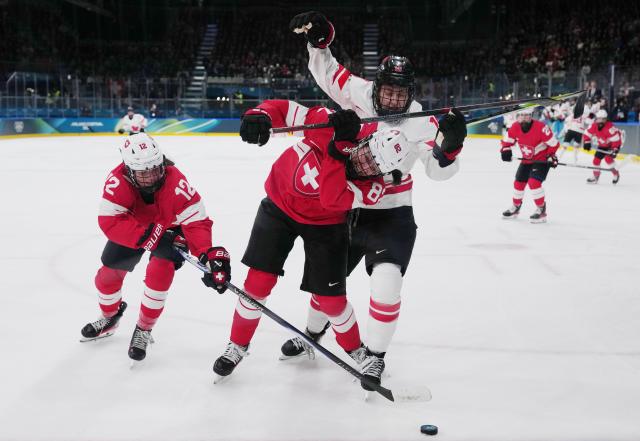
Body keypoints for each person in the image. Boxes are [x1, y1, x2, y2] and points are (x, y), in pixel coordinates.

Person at [278, 11, 466, 390]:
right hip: (347, 208)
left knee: (386, 283)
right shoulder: (359, 91)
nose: (392, 100)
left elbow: (438, 171)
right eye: (387, 91)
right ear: (377, 86)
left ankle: (375, 357)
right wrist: (320, 41)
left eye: (401, 94)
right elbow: (327, 71)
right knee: (325, 285)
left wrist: (451, 147)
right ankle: (314, 335)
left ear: (410, 94)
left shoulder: (423, 121)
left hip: (392, 215)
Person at [213, 99, 403, 386]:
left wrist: (339, 150)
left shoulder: (373, 187)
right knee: (257, 283)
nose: (363, 164)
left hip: (325, 224)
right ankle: (237, 345)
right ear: (366, 141)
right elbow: (285, 110)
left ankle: (356, 350)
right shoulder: (328, 122)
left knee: (330, 300)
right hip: (278, 207)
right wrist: (259, 115)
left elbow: (331, 198)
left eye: (371, 166)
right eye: (365, 155)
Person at [80, 133, 231, 362]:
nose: (151, 176)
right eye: (143, 173)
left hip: (172, 230)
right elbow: (109, 220)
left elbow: (195, 219)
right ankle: (109, 316)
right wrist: (144, 236)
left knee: (159, 274)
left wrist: (206, 253)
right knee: (107, 275)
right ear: (129, 170)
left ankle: (144, 328)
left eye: (155, 169)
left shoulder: (175, 180)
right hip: (135, 229)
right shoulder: (117, 181)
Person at [500, 109, 559, 223]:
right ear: (518, 116)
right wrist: (505, 150)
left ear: (531, 116)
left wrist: (552, 156)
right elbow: (507, 141)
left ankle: (541, 210)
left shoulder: (541, 128)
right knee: (518, 183)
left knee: (534, 183)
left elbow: (554, 144)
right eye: (521, 115)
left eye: (526, 115)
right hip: (527, 160)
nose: (524, 117)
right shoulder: (515, 127)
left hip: (541, 160)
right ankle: (516, 207)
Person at [583, 109, 621, 184]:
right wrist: (587, 142)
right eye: (599, 119)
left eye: (603, 119)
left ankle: (616, 174)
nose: (600, 121)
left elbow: (616, 140)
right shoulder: (593, 125)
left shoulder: (610, 128)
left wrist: (615, 150)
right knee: (596, 160)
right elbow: (587, 133)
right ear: (596, 118)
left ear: (606, 119)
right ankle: (596, 176)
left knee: (608, 160)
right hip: (602, 145)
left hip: (612, 146)